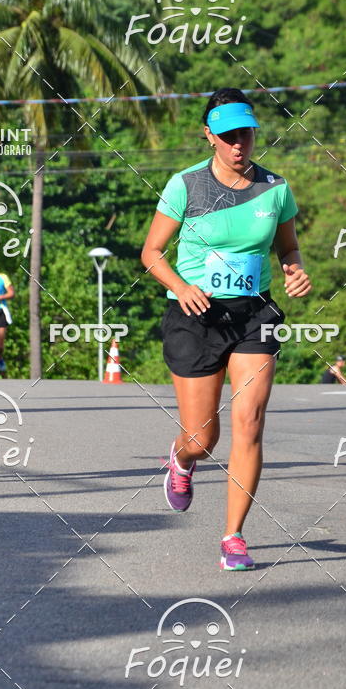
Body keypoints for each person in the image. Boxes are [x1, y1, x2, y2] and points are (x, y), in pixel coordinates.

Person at [141, 88, 311, 571]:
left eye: (247, 134)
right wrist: (181, 285)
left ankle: (233, 535)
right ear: (210, 135)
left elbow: (288, 249)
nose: (240, 145)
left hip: (254, 315)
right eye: (230, 136)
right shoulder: (186, 186)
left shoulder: (275, 188)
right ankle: (182, 459)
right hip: (195, 318)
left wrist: (295, 271)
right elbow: (151, 253)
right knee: (202, 438)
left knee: (250, 424)